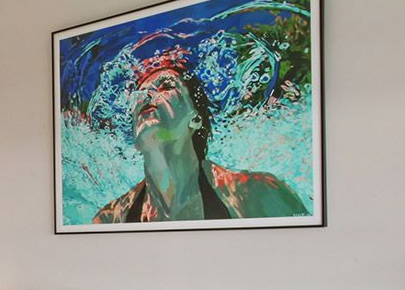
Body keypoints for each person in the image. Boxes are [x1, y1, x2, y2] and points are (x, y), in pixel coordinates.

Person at [92, 38, 307, 224]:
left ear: (195, 119)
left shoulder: (256, 193)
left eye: (166, 86)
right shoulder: (110, 218)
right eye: (141, 93)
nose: (147, 95)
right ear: (135, 139)